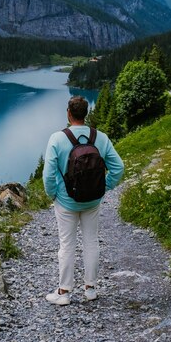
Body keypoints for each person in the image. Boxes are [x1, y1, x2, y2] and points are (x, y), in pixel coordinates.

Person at [43, 95, 124, 305]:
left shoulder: (57, 138)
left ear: (68, 113)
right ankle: (90, 289)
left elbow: (48, 175)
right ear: (85, 114)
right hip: (92, 202)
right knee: (91, 242)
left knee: (67, 245)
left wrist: (53, 194)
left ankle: (64, 293)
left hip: (66, 202)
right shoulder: (101, 137)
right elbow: (118, 168)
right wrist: (105, 187)